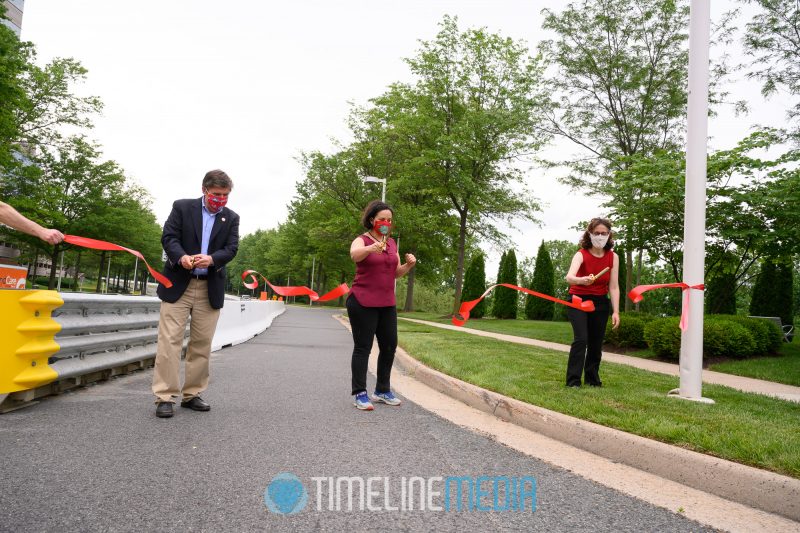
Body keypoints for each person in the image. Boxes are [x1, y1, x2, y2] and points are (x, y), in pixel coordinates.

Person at [151, 170, 239, 418]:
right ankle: (164, 396)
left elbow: (232, 249)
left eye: (225, 195)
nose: (221, 199)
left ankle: (192, 394)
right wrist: (182, 257)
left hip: (209, 286)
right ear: (204, 190)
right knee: (169, 342)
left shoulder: (231, 218)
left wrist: (212, 259)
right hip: (179, 283)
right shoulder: (182, 208)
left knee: (201, 344)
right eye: (216, 194)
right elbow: (168, 237)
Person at [348, 200, 416, 411]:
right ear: (372, 220)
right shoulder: (361, 240)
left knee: (389, 346)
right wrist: (371, 248)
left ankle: (382, 390)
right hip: (362, 301)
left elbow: (395, 272)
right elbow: (354, 255)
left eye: (389, 220)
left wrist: (408, 265)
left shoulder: (392, 243)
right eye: (382, 219)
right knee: (363, 348)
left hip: (387, 303)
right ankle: (360, 393)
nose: (386, 223)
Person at [564, 217, 620, 387]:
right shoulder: (581, 254)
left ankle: (592, 380)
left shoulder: (613, 257)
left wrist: (616, 311)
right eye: (597, 233)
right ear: (590, 234)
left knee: (596, 343)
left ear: (609, 235)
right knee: (581, 339)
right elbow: (569, 278)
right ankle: (573, 381)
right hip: (578, 300)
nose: (600, 236)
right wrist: (582, 280)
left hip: (600, 303)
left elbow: (614, 287)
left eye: (604, 233)